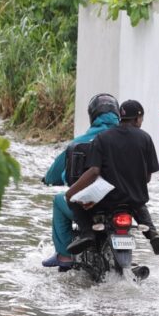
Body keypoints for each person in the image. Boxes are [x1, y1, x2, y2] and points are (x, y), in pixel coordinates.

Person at [66, 100, 159, 256]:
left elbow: (94, 171)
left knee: (73, 200)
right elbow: (147, 177)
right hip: (133, 199)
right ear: (137, 119)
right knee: (139, 205)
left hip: (105, 200)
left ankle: (87, 233)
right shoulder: (145, 138)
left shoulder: (102, 138)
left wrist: (71, 193)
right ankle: (152, 233)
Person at [41, 94, 120, 270]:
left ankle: (64, 255)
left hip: (88, 206)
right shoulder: (128, 141)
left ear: (93, 116)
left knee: (59, 201)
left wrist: (48, 180)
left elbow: (55, 174)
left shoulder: (79, 142)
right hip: (123, 203)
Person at [42, 93, 120, 186]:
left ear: (92, 116)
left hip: (81, 193)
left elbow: (51, 178)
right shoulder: (130, 140)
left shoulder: (77, 143)